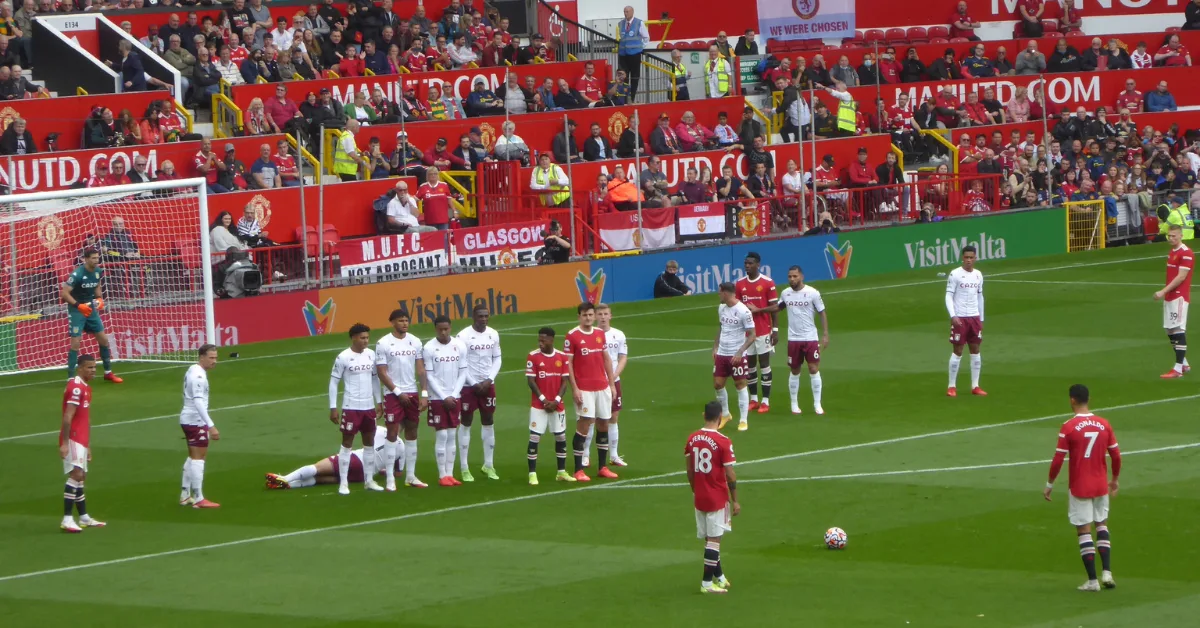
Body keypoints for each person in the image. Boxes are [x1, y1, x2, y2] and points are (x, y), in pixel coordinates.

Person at [1044, 384, 1121, 592]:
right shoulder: (1104, 424)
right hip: (1100, 484)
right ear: (1089, 398)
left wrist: (1049, 484)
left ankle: (1093, 581)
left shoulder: (1068, 427)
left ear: (1072, 400)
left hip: (1080, 485)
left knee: (1084, 530)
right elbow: (1116, 455)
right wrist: (1114, 479)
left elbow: (1058, 459)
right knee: (1101, 525)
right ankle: (1107, 572)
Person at [748, 265, 828, 415]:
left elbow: (822, 312)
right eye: (790, 276)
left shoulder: (812, 293)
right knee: (794, 370)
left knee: (813, 368)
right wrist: (759, 310)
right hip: (794, 339)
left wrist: (825, 334)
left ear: (801, 276)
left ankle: (817, 404)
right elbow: (777, 308)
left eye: (795, 276)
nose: (792, 279)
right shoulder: (786, 293)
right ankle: (794, 404)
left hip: (810, 338)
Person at [686, 400, 738, 594]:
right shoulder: (723, 441)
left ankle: (720, 577)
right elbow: (730, 474)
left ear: (703, 415)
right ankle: (707, 584)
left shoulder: (692, 438)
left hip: (699, 495)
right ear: (719, 417)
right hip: (717, 496)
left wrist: (695, 489)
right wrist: (736, 499)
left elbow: (690, 469)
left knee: (709, 540)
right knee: (715, 541)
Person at [374, 308, 429, 490]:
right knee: (392, 433)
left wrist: (424, 393)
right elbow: (382, 373)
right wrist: (398, 392)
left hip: (412, 393)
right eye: (400, 320)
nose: (404, 323)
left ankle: (411, 476)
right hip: (393, 394)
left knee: (412, 432)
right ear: (392, 322)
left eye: (406, 320)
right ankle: (390, 477)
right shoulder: (383, 343)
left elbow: (420, 370)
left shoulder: (415, 341)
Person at [328, 323, 384, 495]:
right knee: (347, 444)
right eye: (362, 338)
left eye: (367, 338)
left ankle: (369, 480)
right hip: (351, 407)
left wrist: (379, 402)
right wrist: (333, 407)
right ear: (353, 337)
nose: (365, 341)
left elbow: (375, 379)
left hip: (368, 408)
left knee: (369, 443)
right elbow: (333, 382)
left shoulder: (371, 355)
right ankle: (343, 483)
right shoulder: (343, 357)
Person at [564, 302, 617, 481]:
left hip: (602, 387)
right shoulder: (572, 336)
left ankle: (602, 467)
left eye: (590, 315)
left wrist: (611, 384)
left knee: (604, 423)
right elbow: (568, 364)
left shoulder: (600, 334)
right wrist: (575, 388)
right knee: (584, 425)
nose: (588, 318)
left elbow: (606, 360)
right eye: (585, 315)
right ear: (579, 316)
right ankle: (578, 469)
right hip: (584, 389)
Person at [59, 355, 106, 533]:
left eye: (94, 367)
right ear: (79, 368)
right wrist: (64, 443)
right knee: (76, 475)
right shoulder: (76, 388)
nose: (93, 370)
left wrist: (88, 446)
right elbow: (68, 416)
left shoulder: (85, 387)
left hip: (81, 439)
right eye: (89, 367)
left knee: (81, 477)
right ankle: (67, 518)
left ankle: (84, 517)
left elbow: (84, 418)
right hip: (73, 438)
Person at [455, 306, 502, 482]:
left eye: (486, 316)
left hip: (488, 384)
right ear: (473, 316)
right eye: (480, 316)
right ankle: (464, 467)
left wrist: (489, 379)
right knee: (466, 422)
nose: (484, 319)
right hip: (468, 386)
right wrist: (473, 382)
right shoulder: (462, 336)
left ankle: (488, 465)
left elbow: (497, 357)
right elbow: (461, 362)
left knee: (488, 421)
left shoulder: (493, 334)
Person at [60, 248, 121, 383]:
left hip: (91, 309)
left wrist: (99, 298)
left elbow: (97, 286)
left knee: (104, 340)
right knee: (76, 343)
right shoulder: (77, 274)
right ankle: (71, 377)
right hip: (77, 310)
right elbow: (64, 293)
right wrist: (78, 305)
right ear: (86, 259)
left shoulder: (98, 271)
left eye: (97, 258)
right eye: (93, 258)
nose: (96, 260)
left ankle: (108, 372)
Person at [266, 426, 393, 489]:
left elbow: (365, 429)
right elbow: (395, 472)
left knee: (317, 468)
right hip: (362, 476)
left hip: (355, 460)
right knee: (321, 479)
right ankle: (290, 486)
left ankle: (285, 478)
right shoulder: (402, 447)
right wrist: (380, 468)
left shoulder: (381, 430)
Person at [580, 304, 628, 468]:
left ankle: (613, 455)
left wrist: (613, 377)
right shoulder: (591, 335)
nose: (602, 317)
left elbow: (622, 357)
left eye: (605, 314)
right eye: (599, 314)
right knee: (591, 418)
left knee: (613, 417)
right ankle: (585, 455)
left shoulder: (618, 335)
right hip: (595, 382)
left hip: (614, 381)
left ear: (610, 316)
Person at [525, 327, 574, 485]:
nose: (540, 343)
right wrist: (544, 400)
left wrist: (557, 400)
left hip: (557, 405)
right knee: (534, 437)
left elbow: (564, 382)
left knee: (560, 436)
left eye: (543, 340)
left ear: (552, 340)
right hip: (539, 405)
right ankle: (532, 474)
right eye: (539, 340)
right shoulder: (533, 356)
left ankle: (561, 472)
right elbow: (531, 382)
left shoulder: (562, 356)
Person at [423, 315, 468, 486]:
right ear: (435, 329)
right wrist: (444, 396)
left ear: (450, 328)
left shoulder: (459, 346)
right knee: (441, 434)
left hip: (454, 396)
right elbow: (429, 375)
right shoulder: (429, 348)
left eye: (446, 329)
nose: (443, 332)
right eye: (440, 329)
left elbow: (463, 372)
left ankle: (450, 474)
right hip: (437, 398)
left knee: (452, 434)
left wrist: (454, 394)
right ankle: (442, 475)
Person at [735, 253, 778, 415]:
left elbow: (775, 308)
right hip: (747, 333)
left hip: (763, 330)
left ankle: (765, 401)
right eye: (745, 263)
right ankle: (753, 399)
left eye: (750, 263)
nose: (747, 266)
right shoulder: (739, 284)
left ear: (758, 265)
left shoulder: (767, 283)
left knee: (764, 364)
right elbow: (737, 308)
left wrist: (775, 330)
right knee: (750, 366)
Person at [178, 344, 220, 508]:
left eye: (216, 358)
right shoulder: (199, 377)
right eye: (211, 358)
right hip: (195, 421)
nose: (214, 361)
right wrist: (211, 425)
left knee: (192, 456)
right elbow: (197, 402)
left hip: (189, 420)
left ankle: (184, 495)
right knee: (198, 458)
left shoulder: (193, 369)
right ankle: (199, 498)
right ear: (201, 357)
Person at [713, 281, 756, 432]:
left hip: (736, 354)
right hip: (722, 353)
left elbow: (752, 335)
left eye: (719, 292)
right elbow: (721, 327)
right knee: (718, 384)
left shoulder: (743, 311)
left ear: (725, 293)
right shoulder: (721, 308)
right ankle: (725, 414)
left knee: (740, 385)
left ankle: (743, 420)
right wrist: (715, 347)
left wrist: (740, 352)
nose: (718, 295)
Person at [946, 245, 985, 397]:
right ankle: (951, 386)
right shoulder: (955, 274)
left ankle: (975, 386)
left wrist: (981, 318)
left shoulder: (978, 275)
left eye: (971, 257)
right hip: (960, 317)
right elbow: (948, 295)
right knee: (958, 351)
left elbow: (980, 296)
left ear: (975, 258)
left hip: (974, 317)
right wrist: (953, 315)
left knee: (975, 350)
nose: (969, 260)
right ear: (962, 258)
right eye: (966, 257)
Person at [1155, 224, 1193, 378]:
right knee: (1170, 330)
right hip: (1170, 296)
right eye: (1169, 236)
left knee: (1177, 330)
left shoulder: (1186, 253)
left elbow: (1181, 277)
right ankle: (1184, 364)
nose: (1171, 238)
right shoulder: (1172, 252)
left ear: (1181, 236)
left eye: (1174, 236)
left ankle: (1177, 369)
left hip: (1179, 296)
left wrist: (1163, 291)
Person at [616, 6, 648, 102]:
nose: (626, 13)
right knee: (623, 76)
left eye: (627, 12)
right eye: (624, 11)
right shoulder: (620, 24)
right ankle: (624, 97)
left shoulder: (639, 23)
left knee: (634, 77)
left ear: (632, 12)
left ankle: (632, 98)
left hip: (634, 54)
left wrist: (640, 47)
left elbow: (646, 37)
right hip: (623, 54)